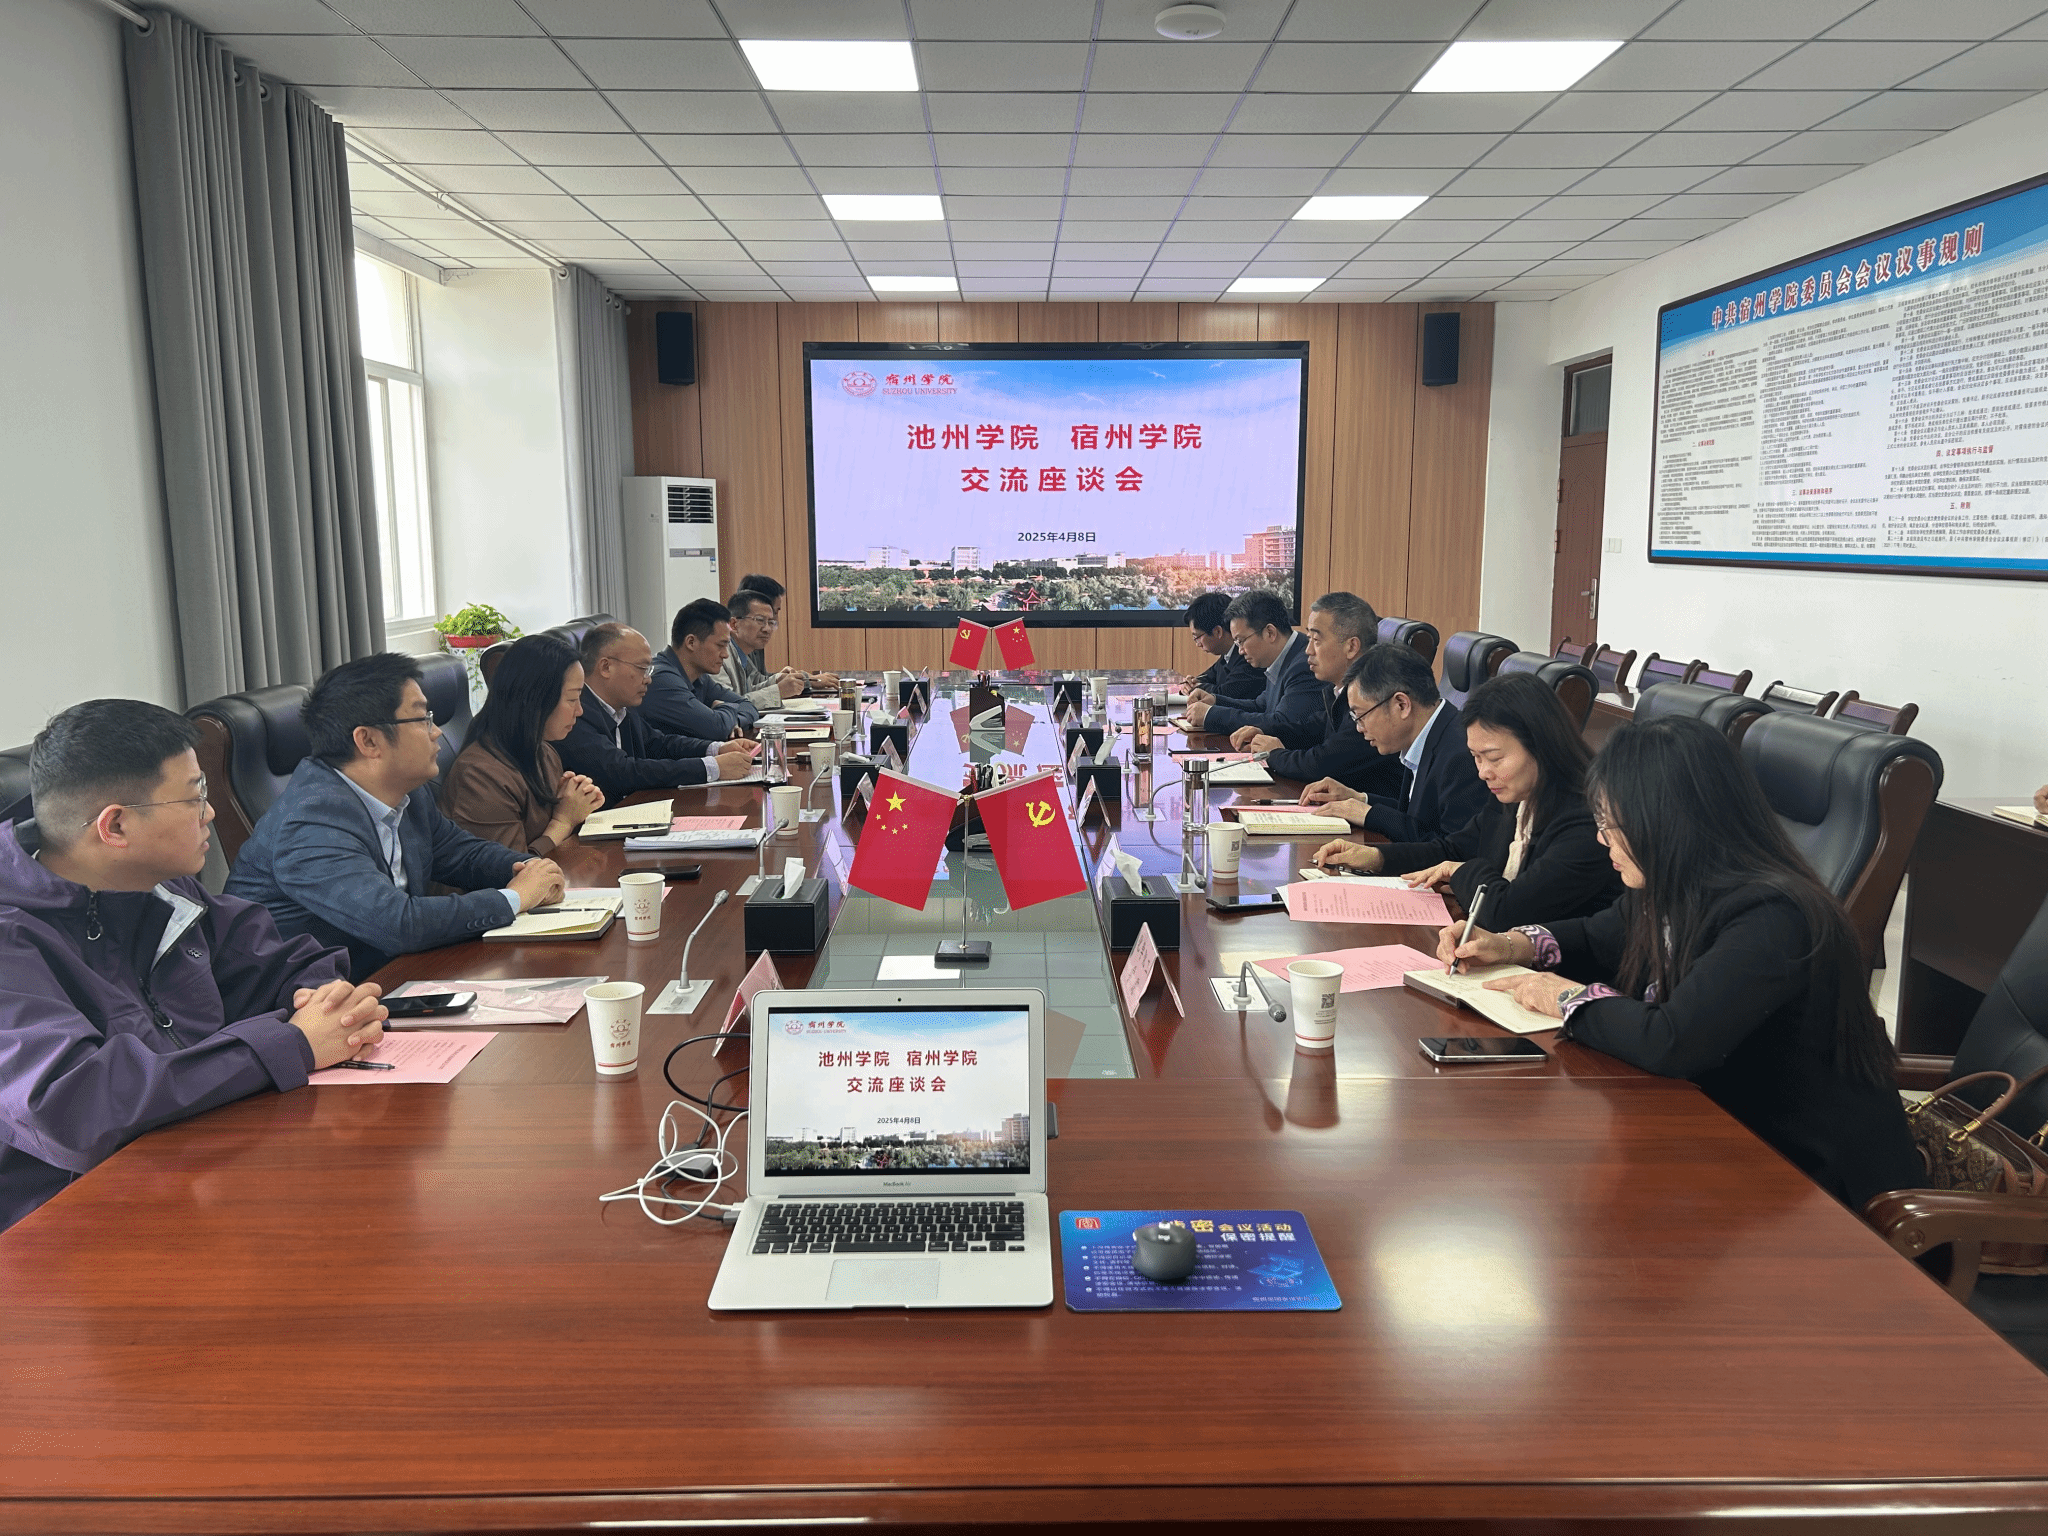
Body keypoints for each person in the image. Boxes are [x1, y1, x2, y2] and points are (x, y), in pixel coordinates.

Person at [1436, 715, 1920, 1211]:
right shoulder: (1675, 884)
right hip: (1721, 1135)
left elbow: (1672, 1039)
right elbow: (1597, 935)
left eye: (1611, 824)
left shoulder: (1772, 914)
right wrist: (1509, 945)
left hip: (1813, 1186)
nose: (1602, 840)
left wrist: (1563, 997)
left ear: (1667, 820)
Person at [0, 701, 386, 1230]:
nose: (209, 813)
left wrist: (330, 1003)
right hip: (70, 1226)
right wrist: (292, 1043)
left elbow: (287, 963)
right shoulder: (11, 939)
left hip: (198, 1165)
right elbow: (76, 1110)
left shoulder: (158, 887)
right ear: (115, 825)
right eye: (194, 795)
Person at [226, 654, 567, 980]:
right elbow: (397, 924)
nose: (436, 731)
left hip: (390, 975)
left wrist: (530, 869)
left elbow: (462, 854)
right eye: (422, 719)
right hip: (307, 1002)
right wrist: (515, 898)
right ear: (369, 741)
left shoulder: (406, 793)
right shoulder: (310, 823)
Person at [1311, 672, 1622, 927]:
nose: (1483, 772)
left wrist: (1461, 872)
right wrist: (1377, 858)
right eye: (1476, 757)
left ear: (1542, 746)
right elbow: (1453, 848)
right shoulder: (1516, 794)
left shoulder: (1586, 820)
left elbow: (1505, 911)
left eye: (1494, 758)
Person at [1299, 644, 1493, 843]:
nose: (1359, 728)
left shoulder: (1461, 754)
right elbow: (1416, 817)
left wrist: (1370, 816)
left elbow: (1450, 848)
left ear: (1401, 705)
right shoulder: (1429, 734)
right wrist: (1360, 799)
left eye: (1360, 716)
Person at [440, 634, 606, 856]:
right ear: (535, 700)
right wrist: (563, 821)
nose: (580, 710)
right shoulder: (480, 776)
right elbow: (510, 870)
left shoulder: (544, 752)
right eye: (571, 699)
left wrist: (576, 802)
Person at [557, 623, 756, 805]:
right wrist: (712, 767)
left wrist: (716, 749)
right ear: (606, 667)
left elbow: (659, 743)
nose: (648, 679)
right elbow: (624, 772)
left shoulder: (622, 707)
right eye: (642, 668)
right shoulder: (575, 714)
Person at [1242, 592, 1401, 797]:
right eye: (1308, 639)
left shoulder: (1371, 699)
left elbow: (1322, 764)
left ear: (1351, 646)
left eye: (1316, 640)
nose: (1308, 650)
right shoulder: (1339, 690)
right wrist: (1264, 731)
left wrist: (1275, 754)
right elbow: (1311, 728)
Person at [1184, 590, 1321, 740]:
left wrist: (1211, 715)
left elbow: (1283, 723)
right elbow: (1260, 705)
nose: (1240, 651)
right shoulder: (1282, 656)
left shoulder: (1305, 664)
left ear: (1270, 633)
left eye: (1241, 641)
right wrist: (1215, 700)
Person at [643, 598, 759, 741]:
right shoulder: (662, 680)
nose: (725, 654)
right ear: (691, 642)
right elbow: (717, 728)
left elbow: (748, 706)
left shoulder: (700, 677)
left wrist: (734, 722)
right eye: (720, 645)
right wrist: (724, 708)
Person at [721, 590, 806, 711]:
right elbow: (728, 705)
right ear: (734, 624)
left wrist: (777, 679)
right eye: (760, 620)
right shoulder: (719, 656)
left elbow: (749, 690)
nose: (767, 629)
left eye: (771, 622)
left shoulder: (742, 654)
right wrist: (778, 692)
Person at [1184, 591, 1264, 699]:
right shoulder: (1226, 655)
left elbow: (1225, 693)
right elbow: (1208, 676)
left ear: (1218, 632)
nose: (1198, 644)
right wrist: (1193, 682)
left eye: (1197, 637)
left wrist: (1197, 687)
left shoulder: (1247, 656)